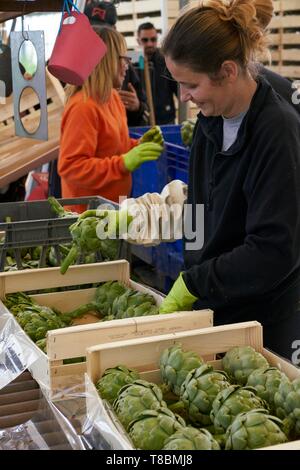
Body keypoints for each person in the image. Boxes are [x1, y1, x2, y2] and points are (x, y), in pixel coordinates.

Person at [101, 0, 300, 361]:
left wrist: (195, 282)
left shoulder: (277, 132)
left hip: (261, 325)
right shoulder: (212, 121)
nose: (184, 97)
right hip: (213, 308)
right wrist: (136, 218)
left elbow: (273, 251)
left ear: (226, 71)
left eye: (190, 84)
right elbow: (201, 209)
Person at [57, 26, 163, 211]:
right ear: (106, 61)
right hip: (88, 218)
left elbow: (112, 147)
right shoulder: (83, 107)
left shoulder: (112, 97)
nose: (127, 65)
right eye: (123, 58)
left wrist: (137, 146)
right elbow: (71, 167)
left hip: (113, 208)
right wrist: (123, 163)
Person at [84, 0, 149, 126]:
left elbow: (144, 111)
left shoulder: (124, 66)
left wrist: (137, 107)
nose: (96, 35)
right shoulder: (69, 62)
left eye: (103, 32)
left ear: (114, 31)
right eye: (90, 28)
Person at [135, 22, 178, 125]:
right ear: (138, 40)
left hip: (165, 120)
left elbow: (178, 89)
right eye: (145, 40)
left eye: (153, 39)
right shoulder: (133, 60)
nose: (149, 44)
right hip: (141, 121)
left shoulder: (166, 60)